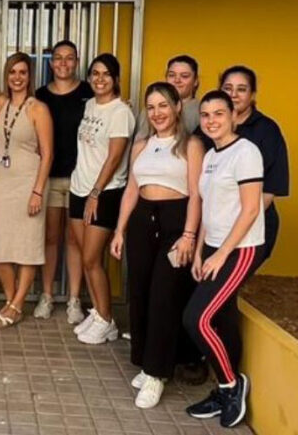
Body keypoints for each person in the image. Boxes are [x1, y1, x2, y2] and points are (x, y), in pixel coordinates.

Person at [110, 82, 203, 409]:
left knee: (164, 296)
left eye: (163, 105)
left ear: (178, 106)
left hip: (175, 222)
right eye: (151, 107)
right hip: (142, 220)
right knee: (140, 293)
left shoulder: (191, 145)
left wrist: (189, 236)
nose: (157, 113)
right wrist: (120, 230)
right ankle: (146, 360)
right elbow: (132, 191)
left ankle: (157, 372)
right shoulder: (141, 145)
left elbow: (196, 194)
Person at [183, 90, 265, 429]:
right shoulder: (212, 156)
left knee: (196, 318)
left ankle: (232, 386)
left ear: (233, 115)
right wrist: (201, 250)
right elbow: (207, 207)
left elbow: (249, 210)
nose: (212, 120)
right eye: (205, 115)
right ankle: (223, 387)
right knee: (223, 320)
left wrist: (222, 254)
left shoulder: (246, 153)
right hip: (214, 246)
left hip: (240, 248)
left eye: (219, 113)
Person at [70, 53, 134, 345]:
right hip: (78, 188)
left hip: (104, 193)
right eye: (94, 73)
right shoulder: (90, 105)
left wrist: (96, 192)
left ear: (116, 79)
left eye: (106, 74)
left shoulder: (121, 112)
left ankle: (107, 320)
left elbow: (114, 157)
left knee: (92, 258)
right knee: (86, 258)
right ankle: (98, 312)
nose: (99, 78)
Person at [0, 53, 53, 328]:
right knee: (0, 246)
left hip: (29, 182)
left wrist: (37, 191)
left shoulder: (38, 108)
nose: (17, 77)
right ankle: (12, 301)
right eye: (13, 72)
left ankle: (16, 304)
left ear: (30, 75)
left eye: (23, 72)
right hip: (0, 182)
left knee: (27, 245)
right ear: (6, 74)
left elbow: (48, 154)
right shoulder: (0, 103)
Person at [33, 39, 93, 324]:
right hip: (50, 176)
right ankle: (46, 296)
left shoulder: (89, 93)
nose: (63, 63)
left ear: (77, 61)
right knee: (50, 237)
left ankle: (73, 299)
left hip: (81, 178)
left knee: (75, 240)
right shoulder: (40, 95)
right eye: (58, 58)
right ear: (50, 62)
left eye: (69, 58)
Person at [219, 65, 288, 266]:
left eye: (241, 89)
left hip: (253, 226)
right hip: (214, 226)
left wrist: (238, 224)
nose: (233, 94)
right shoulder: (209, 126)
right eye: (228, 88)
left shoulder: (267, 130)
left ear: (252, 94)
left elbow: (271, 188)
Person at [135, 55, 201, 140]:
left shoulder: (201, 110)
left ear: (195, 81)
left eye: (184, 76)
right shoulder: (147, 110)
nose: (177, 80)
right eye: (172, 75)